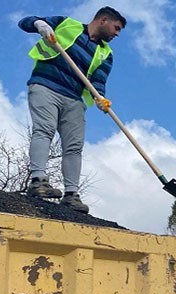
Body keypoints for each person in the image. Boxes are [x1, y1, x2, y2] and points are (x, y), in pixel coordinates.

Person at [19, 7, 126, 214]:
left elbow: (98, 81)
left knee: (74, 146)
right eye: (116, 28)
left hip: (74, 99)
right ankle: (38, 180)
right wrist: (39, 25)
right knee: (44, 130)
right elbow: (26, 22)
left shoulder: (106, 54)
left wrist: (100, 98)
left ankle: (71, 195)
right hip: (46, 86)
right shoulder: (66, 24)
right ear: (103, 20)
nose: (117, 34)